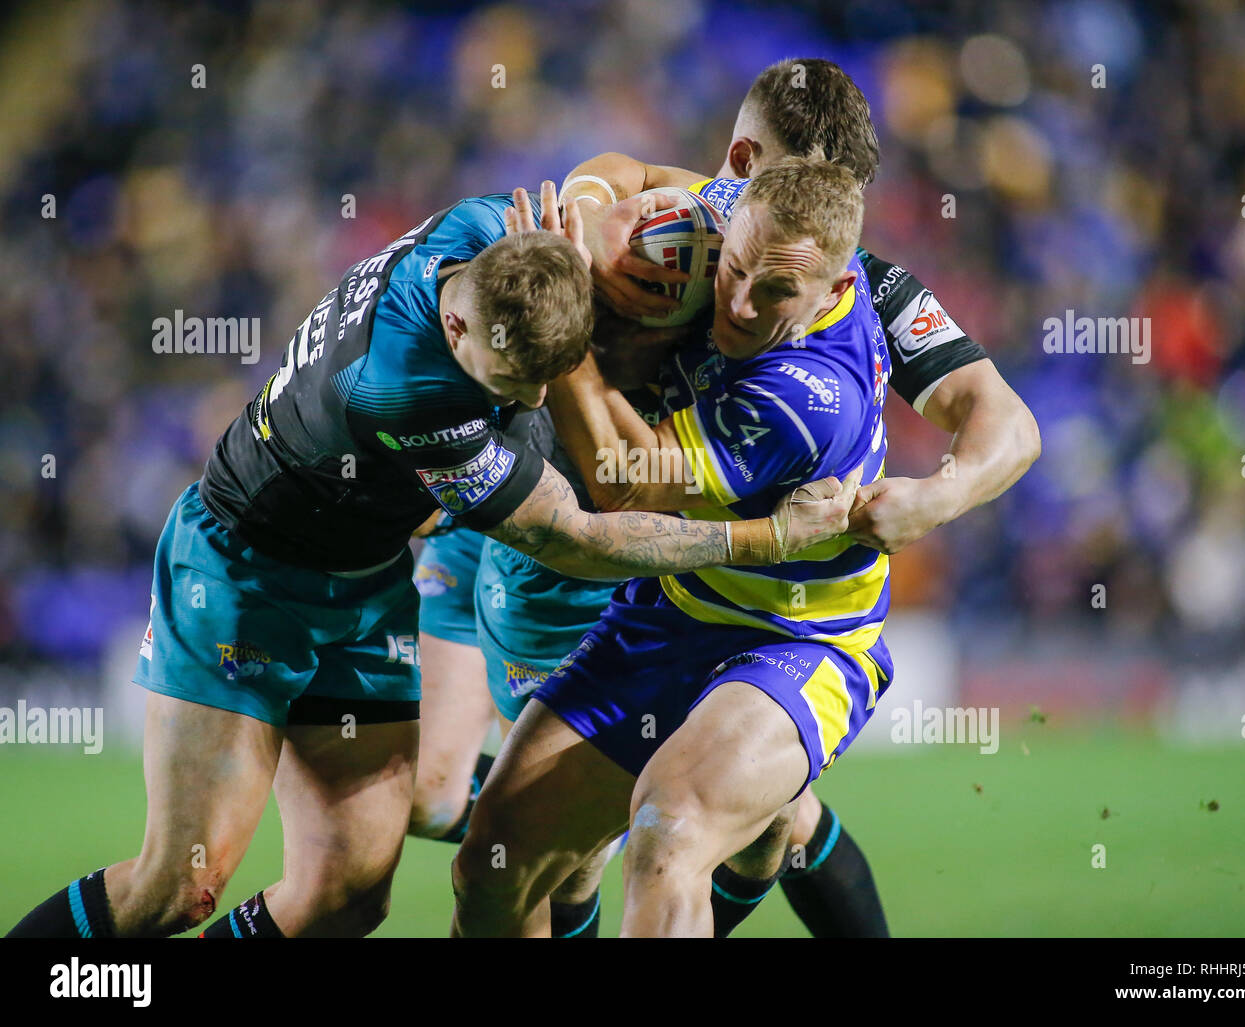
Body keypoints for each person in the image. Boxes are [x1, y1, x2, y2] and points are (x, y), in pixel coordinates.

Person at [6, 183, 858, 939]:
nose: (525, 403)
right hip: (242, 574)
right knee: (178, 887)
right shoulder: (404, 388)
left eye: (542, 382)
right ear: (455, 327)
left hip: (366, 586)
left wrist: (632, 209)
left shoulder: (494, 228)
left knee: (345, 897)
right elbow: (574, 537)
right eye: (511, 383)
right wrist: (763, 537)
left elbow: (622, 196)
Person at [452, 158, 917, 937]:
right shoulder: (737, 211)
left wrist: (565, 312)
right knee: (494, 861)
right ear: (732, 222)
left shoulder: (807, 396)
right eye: (734, 268)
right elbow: (621, 167)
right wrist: (591, 209)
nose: (736, 303)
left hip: (796, 639)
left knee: (670, 831)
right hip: (673, 611)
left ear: (835, 292)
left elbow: (622, 480)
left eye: (775, 293)